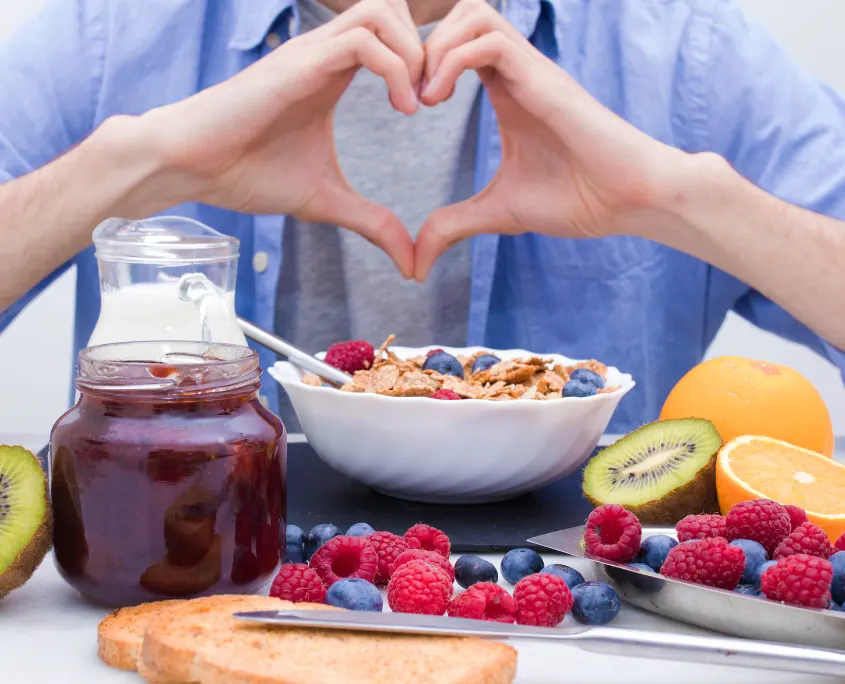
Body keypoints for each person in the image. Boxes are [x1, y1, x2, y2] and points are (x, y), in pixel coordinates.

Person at [0, 0, 843, 433]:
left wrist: (683, 198)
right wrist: (124, 170)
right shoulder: (113, 32)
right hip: (199, 581)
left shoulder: (682, 49)